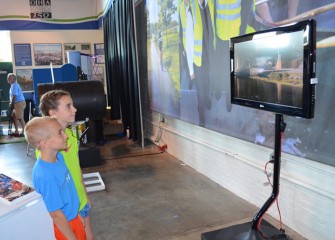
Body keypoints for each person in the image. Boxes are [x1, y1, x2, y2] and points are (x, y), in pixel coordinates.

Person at [37, 90, 95, 240]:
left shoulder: (69, 135)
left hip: (81, 201)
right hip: (69, 209)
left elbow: (76, 167)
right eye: (68, 106)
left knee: (89, 236)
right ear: (53, 113)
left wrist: (85, 194)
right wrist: (74, 212)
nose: (75, 109)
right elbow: (58, 184)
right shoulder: (49, 146)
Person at [25, 116, 86, 240]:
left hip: (73, 217)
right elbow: (56, 214)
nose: (66, 136)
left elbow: (68, 192)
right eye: (60, 133)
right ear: (44, 142)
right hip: (65, 227)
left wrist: (76, 213)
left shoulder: (59, 158)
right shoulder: (45, 175)